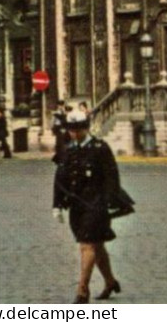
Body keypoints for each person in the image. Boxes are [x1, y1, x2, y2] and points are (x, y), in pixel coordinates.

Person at [52, 112, 122, 303]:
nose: (75, 133)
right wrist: (57, 205)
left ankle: (82, 290)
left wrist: (109, 203)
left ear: (87, 127)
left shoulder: (100, 148)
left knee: (87, 245)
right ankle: (110, 281)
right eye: (72, 130)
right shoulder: (67, 150)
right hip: (76, 206)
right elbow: (60, 179)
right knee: (96, 246)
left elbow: (111, 178)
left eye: (78, 129)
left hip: (97, 204)